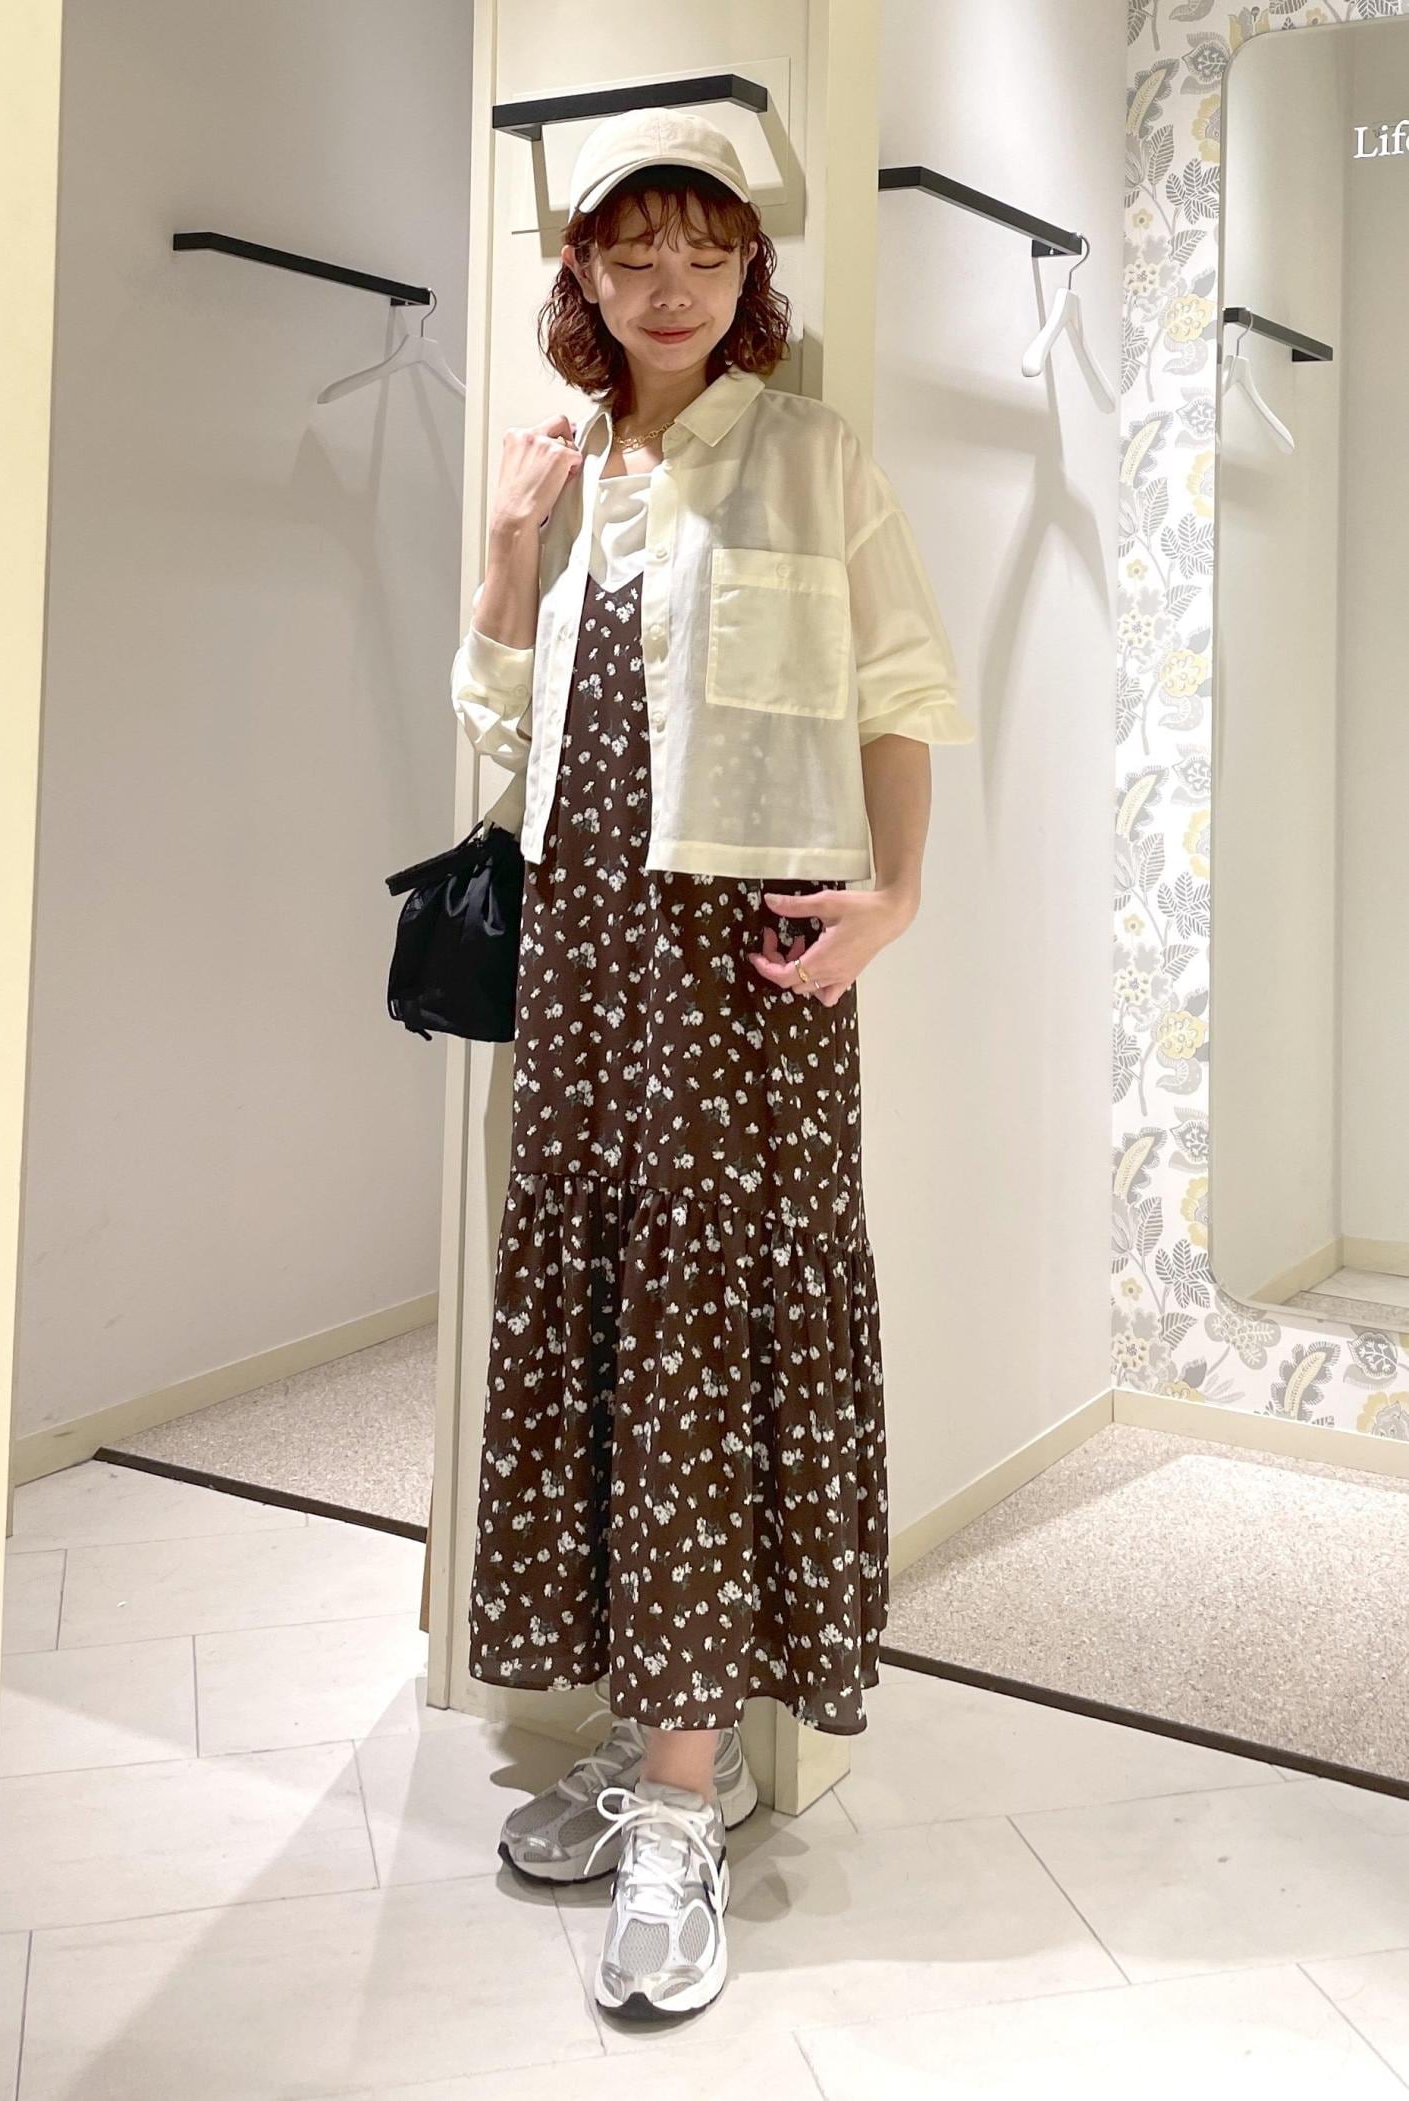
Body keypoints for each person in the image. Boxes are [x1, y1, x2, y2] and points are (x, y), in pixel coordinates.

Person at [448, 107, 976, 2020]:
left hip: (748, 976)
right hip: (586, 965)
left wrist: (896, 896)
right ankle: (659, 1733)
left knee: (700, 1332)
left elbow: (902, 688)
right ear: (582, 277)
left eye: (706, 251)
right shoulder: (566, 466)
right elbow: (500, 733)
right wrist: (508, 550)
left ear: (752, 271)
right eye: (632, 254)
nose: (669, 285)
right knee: (607, 1326)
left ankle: (683, 1805)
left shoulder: (811, 456)